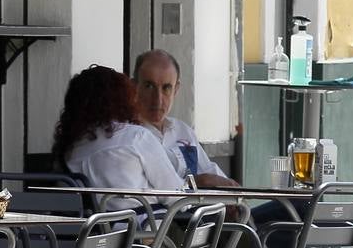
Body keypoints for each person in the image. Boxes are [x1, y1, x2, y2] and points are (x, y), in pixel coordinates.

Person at [53, 65, 183, 210]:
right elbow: (176, 196)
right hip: (143, 228)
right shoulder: (136, 137)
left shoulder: (69, 150)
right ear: (123, 99)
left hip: (92, 230)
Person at [133, 49, 238, 188]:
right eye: (149, 86)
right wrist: (199, 182)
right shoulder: (130, 137)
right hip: (173, 209)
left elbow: (211, 172)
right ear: (134, 86)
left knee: (275, 205)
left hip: (210, 207)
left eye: (166, 88)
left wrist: (231, 196)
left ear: (176, 89)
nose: (157, 100)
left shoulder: (182, 130)